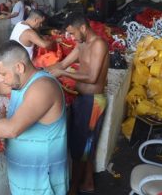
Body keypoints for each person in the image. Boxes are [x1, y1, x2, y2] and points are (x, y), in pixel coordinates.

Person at [0, 40, 68, 194]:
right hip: (26, 179)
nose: (0, 78)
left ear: (19, 67)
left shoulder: (43, 87)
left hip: (42, 181)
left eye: (3, 74)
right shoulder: (20, 81)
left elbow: (12, 129)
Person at [47, 13, 109, 195]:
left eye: (72, 33)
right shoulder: (81, 44)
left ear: (83, 27)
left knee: (82, 148)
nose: (71, 38)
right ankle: (88, 182)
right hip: (82, 100)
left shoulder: (99, 44)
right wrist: (41, 72)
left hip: (94, 102)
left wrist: (64, 74)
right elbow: (62, 64)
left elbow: (92, 77)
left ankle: (73, 188)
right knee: (85, 145)